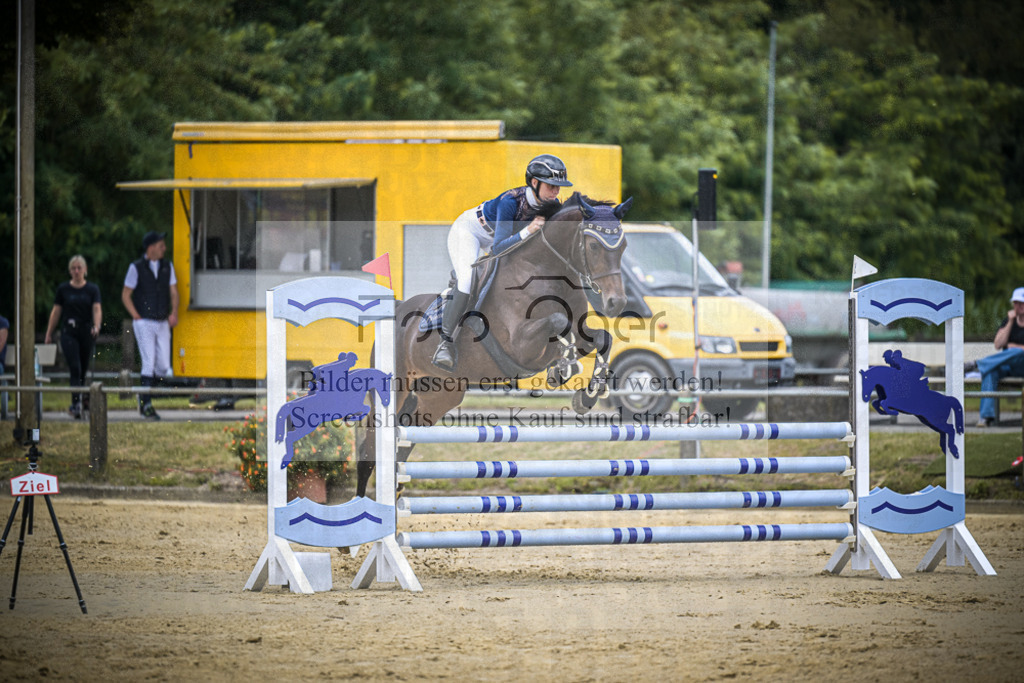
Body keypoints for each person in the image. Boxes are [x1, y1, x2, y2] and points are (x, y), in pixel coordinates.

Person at [432, 154, 572, 371]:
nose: (556, 192)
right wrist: (529, 230)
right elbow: (498, 249)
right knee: (467, 280)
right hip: (471, 233)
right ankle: (445, 343)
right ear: (534, 183)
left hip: (501, 240)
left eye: (558, 187)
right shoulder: (510, 202)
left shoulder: (551, 204)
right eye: (551, 186)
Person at [122, 231, 178, 420]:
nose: (164, 248)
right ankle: (146, 404)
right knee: (149, 361)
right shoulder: (136, 267)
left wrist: (174, 312)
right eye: (161, 245)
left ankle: (143, 391)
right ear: (151, 247)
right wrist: (136, 315)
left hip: (162, 320)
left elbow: (173, 291)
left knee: (163, 365)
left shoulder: (167, 266)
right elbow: (126, 294)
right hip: (144, 321)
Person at [45, 255, 102, 419]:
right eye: (73, 268)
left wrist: (97, 326)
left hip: (85, 330)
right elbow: (56, 312)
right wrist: (49, 333)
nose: (76, 271)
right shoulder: (63, 290)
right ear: (70, 271)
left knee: (83, 368)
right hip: (69, 331)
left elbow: (97, 309)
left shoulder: (92, 289)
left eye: (79, 268)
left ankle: (83, 398)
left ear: (85, 270)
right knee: (75, 366)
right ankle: (75, 402)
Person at [966, 287, 1024, 427]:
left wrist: (1013, 346)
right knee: (991, 371)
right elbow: (998, 344)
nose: (1019, 306)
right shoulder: (1007, 322)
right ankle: (986, 418)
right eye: (1016, 303)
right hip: (1009, 366)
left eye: (1022, 303)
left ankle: (978, 364)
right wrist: (1010, 322)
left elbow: (1011, 348)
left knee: (1018, 352)